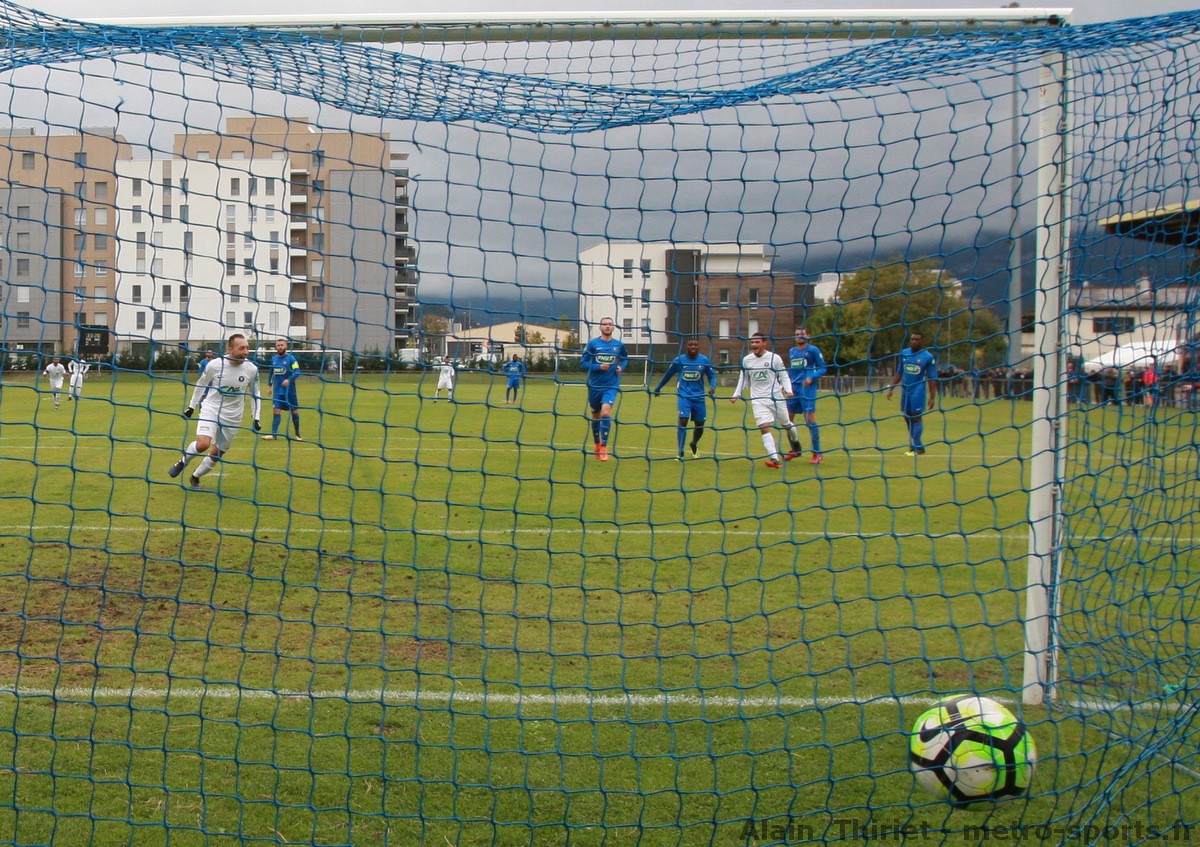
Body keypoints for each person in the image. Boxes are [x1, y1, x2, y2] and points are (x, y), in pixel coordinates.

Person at [168, 333, 261, 490]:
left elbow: (255, 394)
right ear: (230, 349)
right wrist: (191, 406)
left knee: (217, 453)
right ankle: (183, 461)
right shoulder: (215, 365)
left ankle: (195, 477)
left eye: (247, 348)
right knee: (203, 444)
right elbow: (201, 384)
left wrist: (256, 417)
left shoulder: (251, 369)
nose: (246, 352)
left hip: (233, 416)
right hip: (211, 408)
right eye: (241, 348)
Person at [730, 333, 801, 469]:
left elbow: (783, 376)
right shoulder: (746, 360)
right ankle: (774, 458)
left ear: (764, 343)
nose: (754, 345)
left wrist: (788, 390)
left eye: (757, 342)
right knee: (763, 426)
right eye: (752, 342)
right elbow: (743, 378)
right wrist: (736, 394)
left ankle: (795, 442)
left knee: (787, 424)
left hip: (776, 398)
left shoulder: (775, 358)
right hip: (758, 399)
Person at [653, 337, 717, 459]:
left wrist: (712, 386)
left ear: (698, 347)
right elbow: (668, 375)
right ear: (686, 347)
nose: (693, 347)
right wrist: (658, 387)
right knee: (683, 421)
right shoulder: (679, 360)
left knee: (700, 425)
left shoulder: (704, 360)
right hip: (684, 396)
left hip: (699, 397)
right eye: (690, 345)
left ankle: (694, 443)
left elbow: (712, 376)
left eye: (695, 345)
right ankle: (680, 452)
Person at [580, 317, 629, 461]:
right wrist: (598, 367)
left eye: (610, 324)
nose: (607, 326)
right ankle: (596, 444)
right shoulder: (593, 344)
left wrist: (621, 367)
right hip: (595, 386)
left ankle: (604, 447)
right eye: (604, 324)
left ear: (613, 327)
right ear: (600, 327)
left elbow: (625, 359)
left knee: (606, 412)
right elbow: (583, 364)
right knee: (595, 416)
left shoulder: (618, 345)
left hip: (611, 385)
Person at [886, 330, 938, 456]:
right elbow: (900, 372)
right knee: (907, 417)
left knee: (916, 417)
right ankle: (918, 445)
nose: (914, 341)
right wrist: (891, 388)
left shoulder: (928, 357)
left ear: (922, 341)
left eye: (917, 339)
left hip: (918, 392)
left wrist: (932, 397)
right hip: (906, 391)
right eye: (912, 339)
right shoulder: (904, 353)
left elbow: (932, 378)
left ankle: (915, 447)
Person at [786, 328, 827, 464]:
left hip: (807, 389)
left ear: (808, 336)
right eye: (797, 334)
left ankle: (817, 453)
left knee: (809, 420)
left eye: (802, 334)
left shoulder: (813, 350)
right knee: (787, 421)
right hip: (793, 389)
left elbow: (823, 368)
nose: (799, 336)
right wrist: (786, 385)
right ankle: (795, 449)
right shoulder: (792, 351)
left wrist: (811, 377)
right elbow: (791, 370)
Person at [263, 338, 302, 441]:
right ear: (276, 347)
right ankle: (274, 435)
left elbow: (297, 371)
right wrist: (269, 386)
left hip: (290, 392)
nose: (280, 347)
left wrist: (289, 380)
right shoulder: (274, 359)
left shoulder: (291, 359)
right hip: (277, 392)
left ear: (286, 346)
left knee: (294, 411)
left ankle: (297, 434)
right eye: (278, 345)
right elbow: (271, 373)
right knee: (276, 411)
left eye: (282, 345)